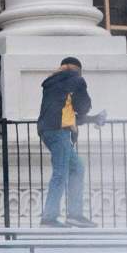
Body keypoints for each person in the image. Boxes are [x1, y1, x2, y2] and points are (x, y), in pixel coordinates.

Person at [37, 56, 97, 229]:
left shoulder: (51, 81)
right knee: (60, 173)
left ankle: (74, 215)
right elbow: (82, 107)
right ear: (77, 69)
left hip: (48, 130)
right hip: (58, 132)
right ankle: (49, 218)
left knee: (77, 167)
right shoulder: (76, 80)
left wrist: (92, 119)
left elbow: (65, 112)